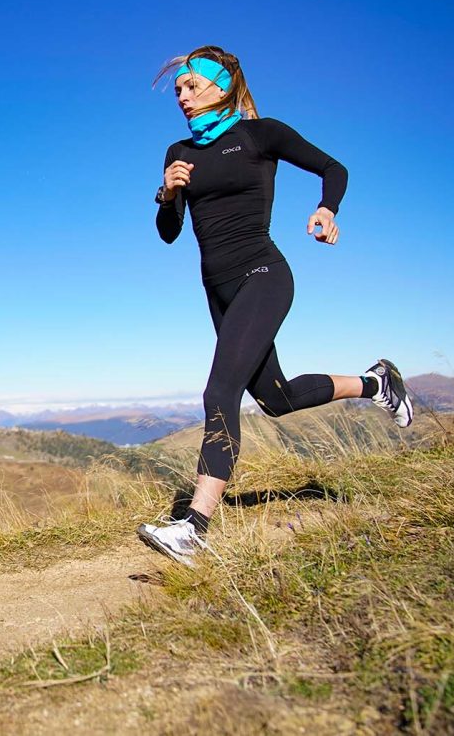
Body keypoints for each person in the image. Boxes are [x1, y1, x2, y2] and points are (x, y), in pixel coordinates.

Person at [136, 45, 412, 568]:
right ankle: (377, 383)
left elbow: (333, 167)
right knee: (276, 398)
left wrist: (327, 208)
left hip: (263, 274)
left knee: (220, 390)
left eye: (192, 86)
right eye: (177, 90)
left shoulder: (260, 136)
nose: (182, 96)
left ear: (222, 85)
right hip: (217, 289)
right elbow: (169, 235)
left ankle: (194, 527)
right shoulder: (178, 152)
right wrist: (166, 194)